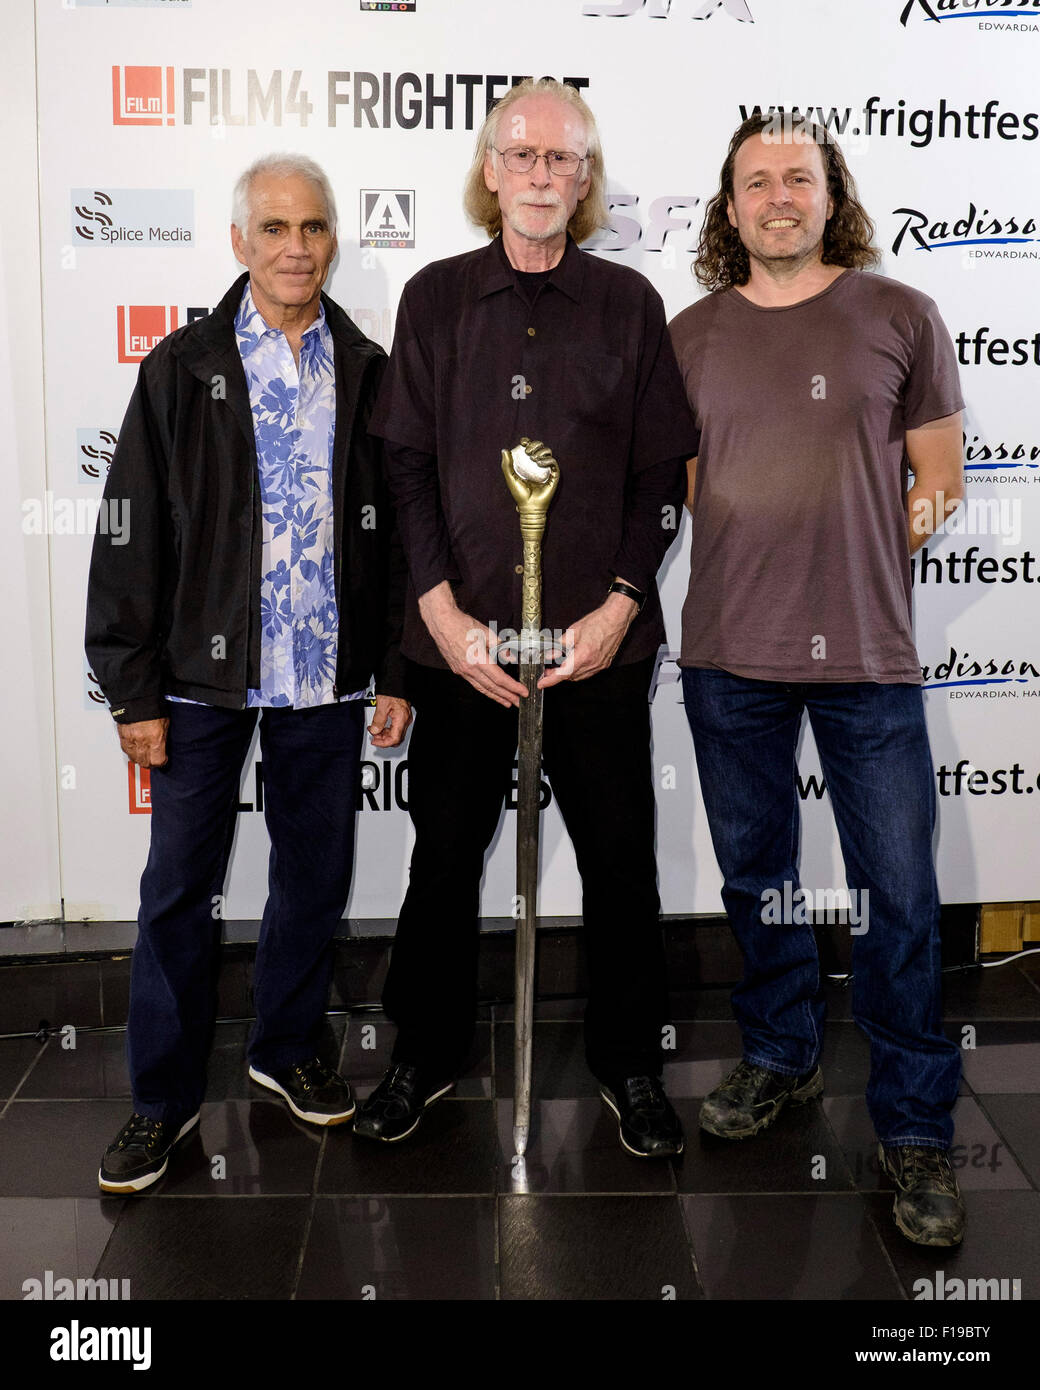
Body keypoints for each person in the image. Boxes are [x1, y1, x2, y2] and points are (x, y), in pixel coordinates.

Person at [356, 77, 698, 1156]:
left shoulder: (629, 308)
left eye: (561, 159)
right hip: (462, 649)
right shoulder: (433, 299)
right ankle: (421, 1054)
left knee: (620, 857)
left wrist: (620, 608)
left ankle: (631, 1065)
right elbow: (402, 467)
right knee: (444, 855)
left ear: (584, 178)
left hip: (593, 648)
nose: (540, 175)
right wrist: (439, 618)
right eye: (521, 155)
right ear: (489, 170)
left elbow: (658, 477)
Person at [85, 153, 410, 1193]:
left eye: (312, 228)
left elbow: (401, 533)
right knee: (179, 888)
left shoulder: (368, 366)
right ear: (238, 243)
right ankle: (159, 1102)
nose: (295, 248)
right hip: (196, 676)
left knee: (310, 876)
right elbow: (128, 527)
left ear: (331, 243)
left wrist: (397, 663)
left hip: (324, 673)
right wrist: (131, 688)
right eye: (273, 229)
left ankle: (285, 1046)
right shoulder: (181, 366)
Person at [669, 114, 966, 1245]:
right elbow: (695, 484)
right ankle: (780, 1055)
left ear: (827, 193)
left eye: (798, 177)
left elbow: (935, 477)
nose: (777, 196)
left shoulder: (900, 313)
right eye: (756, 181)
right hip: (726, 653)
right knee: (758, 874)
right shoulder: (689, 332)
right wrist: (772, 543)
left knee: (897, 893)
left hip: (867, 655)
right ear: (729, 206)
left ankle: (915, 1126)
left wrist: (853, 550)